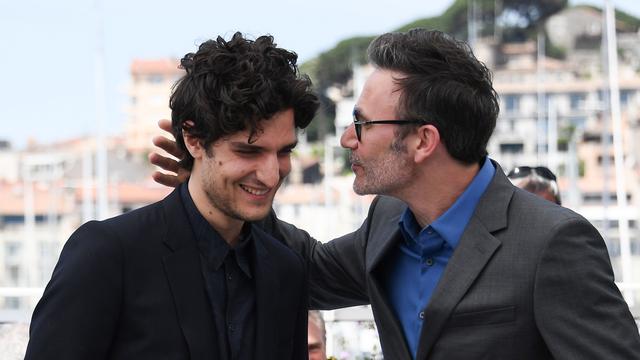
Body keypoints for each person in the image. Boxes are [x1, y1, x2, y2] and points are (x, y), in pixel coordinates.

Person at [151, 29, 640, 359]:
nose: (347, 139)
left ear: (424, 141)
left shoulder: (552, 243)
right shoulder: (388, 220)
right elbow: (306, 270)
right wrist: (223, 190)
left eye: (362, 123)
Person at [25, 32, 319, 360]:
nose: (271, 174)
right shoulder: (108, 254)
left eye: (283, 151)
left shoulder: (286, 271)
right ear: (193, 139)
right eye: (248, 151)